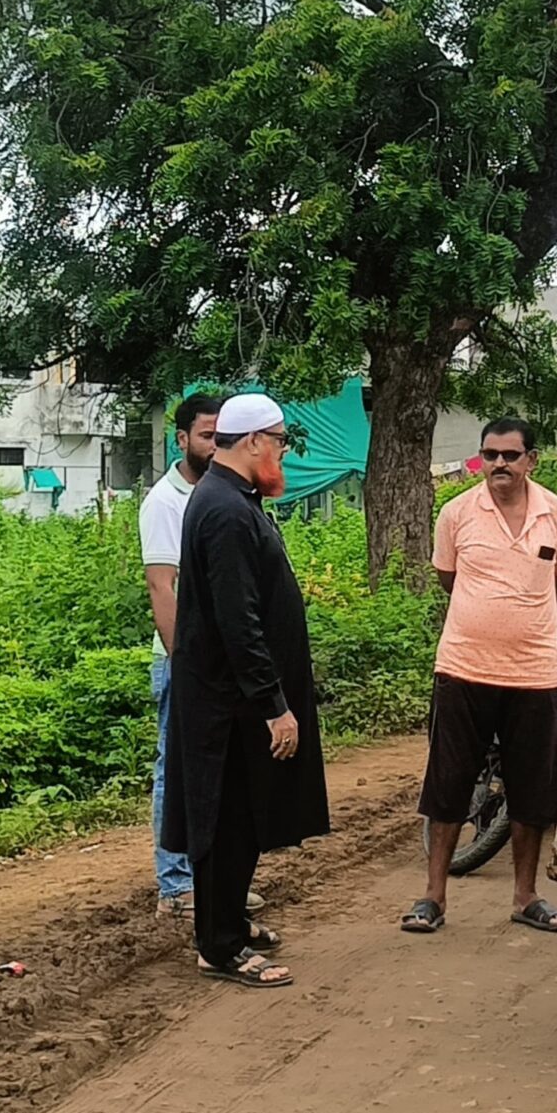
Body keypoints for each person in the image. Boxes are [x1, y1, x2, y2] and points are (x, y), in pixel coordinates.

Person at [160, 393, 330, 987]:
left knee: (244, 817)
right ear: (255, 441)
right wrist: (273, 705)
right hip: (229, 705)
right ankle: (220, 946)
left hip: (233, 699)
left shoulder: (231, 499)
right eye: (280, 442)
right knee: (227, 821)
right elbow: (239, 621)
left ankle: (226, 920)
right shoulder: (226, 510)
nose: (282, 452)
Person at [403, 417, 557, 936]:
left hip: (533, 672)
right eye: (489, 455)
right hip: (464, 667)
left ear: (531, 460)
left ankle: (525, 898)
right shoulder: (457, 513)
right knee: (449, 784)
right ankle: (433, 897)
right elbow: (447, 578)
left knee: (532, 789)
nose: (498, 464)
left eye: (509, 455)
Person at [140, 390, 223, 918]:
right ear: (183, 438)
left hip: (219, 659)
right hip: (184, 660)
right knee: (176, 768)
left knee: (215, 771)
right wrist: (182, 661)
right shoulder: (166, 502)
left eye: (223, 436)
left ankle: (211, 879)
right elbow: (161, 588)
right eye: (207, 436)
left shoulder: (223, 493)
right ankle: (176, 886)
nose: (216, 446)